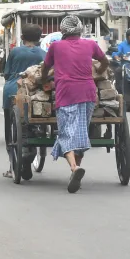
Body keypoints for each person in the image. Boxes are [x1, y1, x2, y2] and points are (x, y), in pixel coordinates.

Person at [40, 15, 108, 193]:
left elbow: (45, 68)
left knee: (66, 132)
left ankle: (74, 167)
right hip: (88, 93)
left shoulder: (56, 46)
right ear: (80, 29)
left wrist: (43, 79)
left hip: (66, 93)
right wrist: (98, 72)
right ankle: (76, 170)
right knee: (80, 131)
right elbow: (105, 61)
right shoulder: (90, 44)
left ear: (63, 30)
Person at [1, 23, 46, 176]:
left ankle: (13, 165)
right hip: (37, 93)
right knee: (34, 123)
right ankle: (29, 154)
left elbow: (7, 73)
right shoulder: (43, 54)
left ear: (22, 37)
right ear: (39, 38)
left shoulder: (15, 52)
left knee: (10, 128)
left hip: (13, 89)